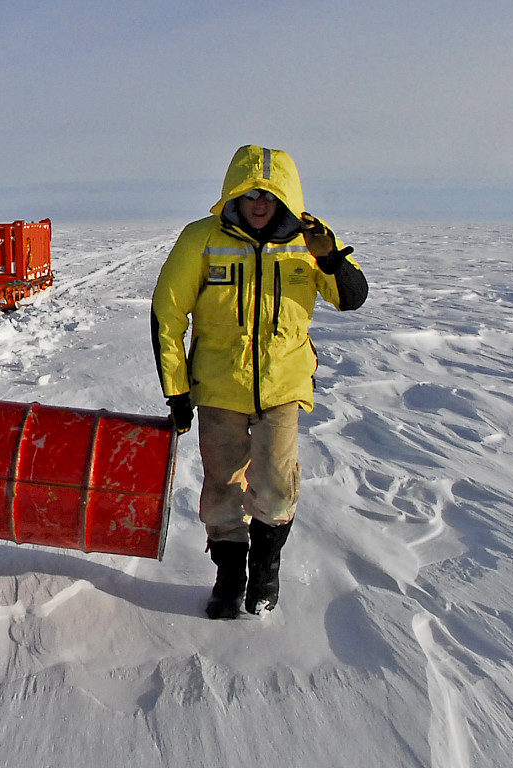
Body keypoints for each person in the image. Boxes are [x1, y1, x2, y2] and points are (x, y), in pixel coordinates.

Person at [151, 145, 369, 619]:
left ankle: (266, 569)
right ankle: (229, 577)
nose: (259, 204)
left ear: (285, 198)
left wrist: (329, 259)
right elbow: (168, 313)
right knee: (222, 487)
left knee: (274, 485)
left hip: (283, 388)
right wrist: (177, 390)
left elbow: (350, 299)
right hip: (218, 388)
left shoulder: (310, 243)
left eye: (269, 196)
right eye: (250, 194)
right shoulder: (202, 239)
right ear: (234, 193)